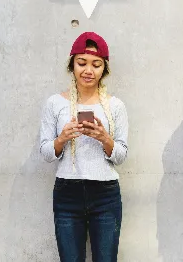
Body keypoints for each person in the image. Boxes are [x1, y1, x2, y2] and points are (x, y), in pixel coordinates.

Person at [38, 32, 129, 262]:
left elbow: (121, 155)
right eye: (82, 63)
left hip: (106, 194)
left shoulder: (115, 106)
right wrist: (62, 139)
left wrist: (104, 138)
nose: (88, 70)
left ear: (104, 70)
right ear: (72, 65)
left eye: (96, 65)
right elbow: (46, 153)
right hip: (67, 193)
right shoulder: (55, 103)